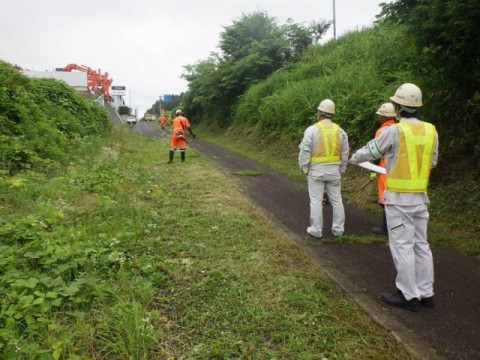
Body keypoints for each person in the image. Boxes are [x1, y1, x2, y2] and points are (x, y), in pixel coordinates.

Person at [349, 83, 438, 312]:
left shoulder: (395, 130)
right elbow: (433, 162)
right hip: (420, 198)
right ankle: (426, 292)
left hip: (399, 199)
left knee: (403, 246)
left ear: (397, 107)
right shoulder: (431, 130)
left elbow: (372, 150)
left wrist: (353, 158)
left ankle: (408, 296)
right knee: (421, 245)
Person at [298, 99, 350, 238]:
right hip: (334, 171)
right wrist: (342, 168)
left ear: (320, 113)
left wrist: (304, 167)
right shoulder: (340, 131)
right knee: (337, 200)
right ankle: (338, 229)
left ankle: (316, 230)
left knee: (316, 200)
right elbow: (345, 151)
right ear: (331, 114)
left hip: (316, 171)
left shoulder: (312, 130)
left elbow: (305, 150)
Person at [371, 102, 397, 235]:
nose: (379, 118)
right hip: (398, 169)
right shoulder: (399, 128)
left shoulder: (381, 131)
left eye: (380, 116)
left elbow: (376, 152)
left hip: (384, 168)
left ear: (384, 117)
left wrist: (373, 168)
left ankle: (386, 228)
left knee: (385, 198)